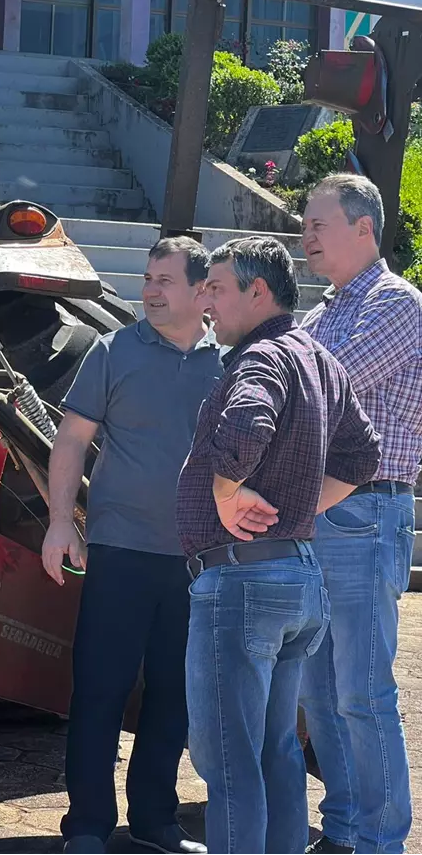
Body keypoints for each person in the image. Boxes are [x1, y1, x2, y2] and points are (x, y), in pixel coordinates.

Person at [176, 236, 381, 855]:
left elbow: (245, 426)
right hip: (295, 582)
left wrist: (223, 488)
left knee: (230, 765)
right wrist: (301, 508)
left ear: (256, 291)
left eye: (215, 287)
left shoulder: (260, 358)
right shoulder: (318, 358)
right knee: (274, 756)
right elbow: (363, 453)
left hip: (242, 586)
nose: (206, 302)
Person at [42, 235, 222, 855]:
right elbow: (70, 441)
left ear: (203, 292)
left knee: (174, 696)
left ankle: (154, 821)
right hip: (118, 551)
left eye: (163, 280)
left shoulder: (229, 364)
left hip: (198, 561)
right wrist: (60, 521)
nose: (148, 289)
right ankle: (88, 825)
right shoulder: (111, 350)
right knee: (99, 689)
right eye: (147, 277)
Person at [299, 173, 422, 855]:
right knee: (318, 694)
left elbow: (320, 385)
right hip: (316, 515)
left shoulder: (395, 304)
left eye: (317, 223)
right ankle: (344, 831)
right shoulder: (322, 311)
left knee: (361, 693)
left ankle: (378, 842)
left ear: (363, 228)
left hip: (363, 513)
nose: (305, 235)